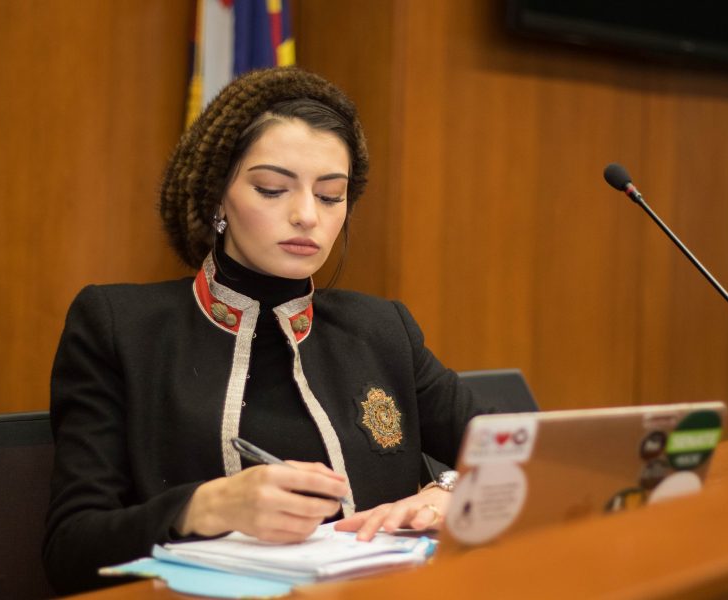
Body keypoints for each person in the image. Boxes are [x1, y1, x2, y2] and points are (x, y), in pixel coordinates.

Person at [43, 67, 499, 594]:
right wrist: (208, 506)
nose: (306, 215)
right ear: (217, 197)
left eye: (330, 196)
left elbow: (530, 456)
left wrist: (448, 492)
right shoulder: (122, 327)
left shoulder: (380, 329)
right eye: (272, 189)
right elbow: (69, 550)